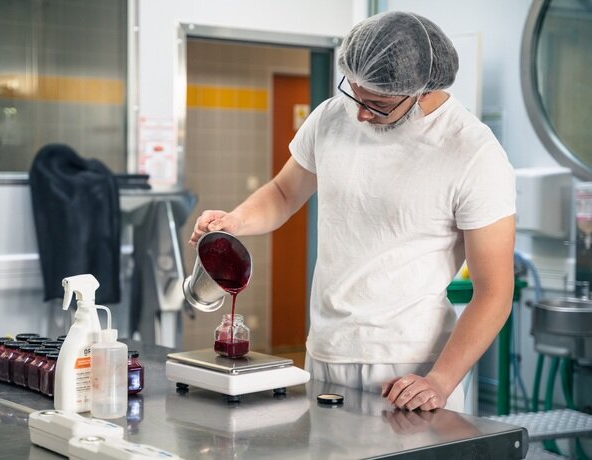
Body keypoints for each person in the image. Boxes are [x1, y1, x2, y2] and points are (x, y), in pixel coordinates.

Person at [189, 11, 515, 412]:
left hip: (409, 368)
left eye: (377, 104)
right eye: (354, 94)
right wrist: (235, 221)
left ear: (422, 91)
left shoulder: (472, 152)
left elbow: (495, 291)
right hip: (325, 350)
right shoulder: (331, 117)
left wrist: (440, 381)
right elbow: (283, 192)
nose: (360, 113)